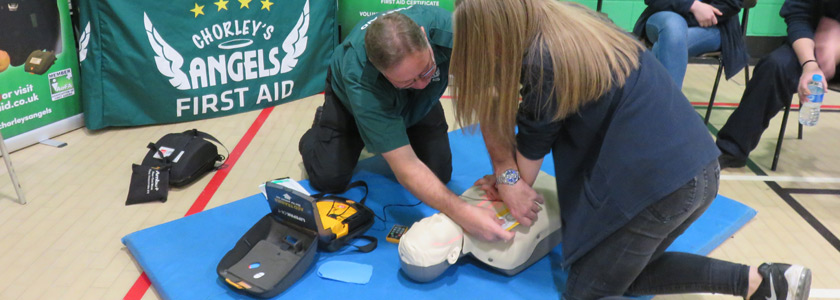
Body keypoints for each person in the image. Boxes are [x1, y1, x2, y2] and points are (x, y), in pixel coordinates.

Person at [450, 0, 812, 299]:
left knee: (586, 291)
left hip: (664, 188)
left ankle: (762, 282)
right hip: (698, 166)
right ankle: (764, 282)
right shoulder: (573, 21)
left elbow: (523, 177)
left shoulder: (544, 61)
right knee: (624, 273)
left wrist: (507, 179)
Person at [298, 6, 515, 242]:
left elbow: (491, 98)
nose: (422, 83)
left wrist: (507, 173)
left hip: (420, 104)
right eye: (407, 80)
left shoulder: (453, 33)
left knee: (439, 174)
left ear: (424, 35)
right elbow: (406, 166)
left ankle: (397, 110)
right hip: (351, 103)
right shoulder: (360, 78)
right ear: (376, 66)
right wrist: (464, 213)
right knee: (329, 180)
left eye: (426, 70)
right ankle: (324, 126)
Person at [716, 0, 840, 168]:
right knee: (775, 66)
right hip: (813, 44)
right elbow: (798, 17)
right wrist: (810, 64)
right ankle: (732, 149)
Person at [398, 171, 562, 282]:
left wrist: (506, 177)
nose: (434, 219)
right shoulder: (503, 254)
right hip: (564, 192)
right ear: (452, 255)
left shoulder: (463, 201)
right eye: (432, 233)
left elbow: (515, 144)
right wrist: (511, 178)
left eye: (423, 223)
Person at [633, 0, 749, 89]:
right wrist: (692, 6)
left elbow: (731, 4)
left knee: (669, 41)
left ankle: (659, 109)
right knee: (674, 29)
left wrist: (698, 13)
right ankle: (669, 112)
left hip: (714, 24)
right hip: (666, 16)